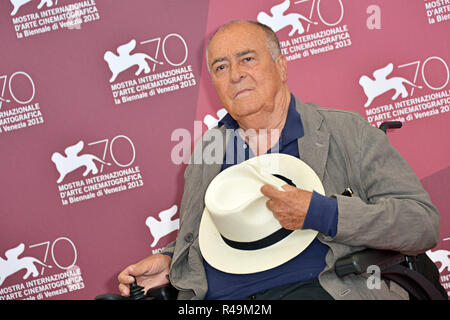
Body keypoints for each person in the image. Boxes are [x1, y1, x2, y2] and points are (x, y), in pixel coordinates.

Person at [118, 20, 440, 300]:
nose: (235, 75)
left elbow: (421, 224)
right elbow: (222, 232)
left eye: (247, 59)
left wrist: (323, 213)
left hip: (317, 290)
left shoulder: (346, 130)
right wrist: (170, 262)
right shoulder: (208, 152)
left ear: (281, 66)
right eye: (221, 67)